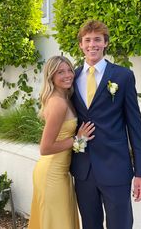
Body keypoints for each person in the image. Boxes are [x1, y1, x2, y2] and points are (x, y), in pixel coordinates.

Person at [70, 20, 141, 229]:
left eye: (97, 39)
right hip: (83, 170)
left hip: (115, 168)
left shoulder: (122, 76)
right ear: (80, 44)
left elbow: (135, 125)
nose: (92, 44)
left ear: (105, 43)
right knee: (90, 225)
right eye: (87, 40)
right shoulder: (72, 77)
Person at [28, 56, 95, 229]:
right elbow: (45, 147)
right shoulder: (58, 103)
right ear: (51, 76)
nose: (67, 75)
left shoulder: (65, 98)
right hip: (52, 174)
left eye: (69, 70)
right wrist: (78, 139)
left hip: (61, 172)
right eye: (60, 72)